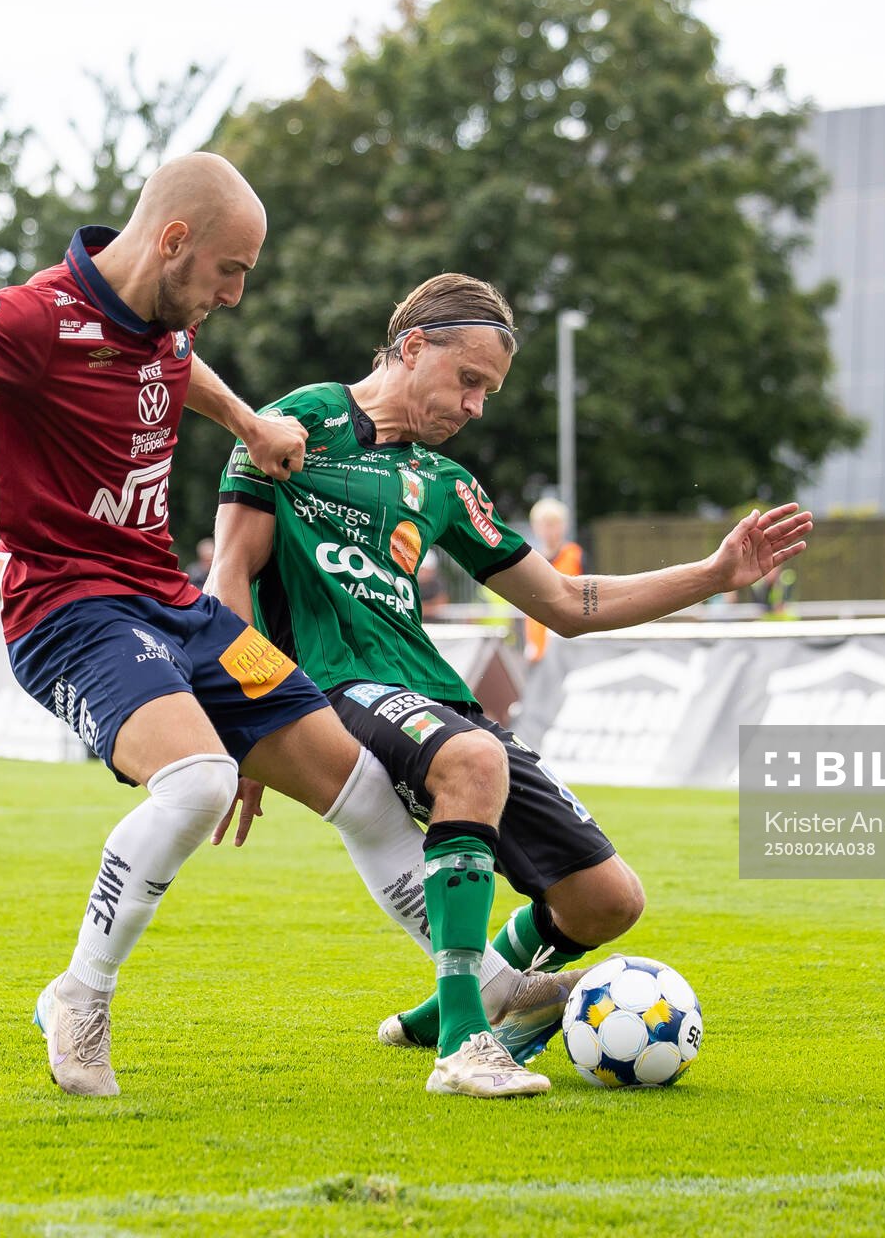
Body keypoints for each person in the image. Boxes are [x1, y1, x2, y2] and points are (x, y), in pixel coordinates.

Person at [0, 154, 557, 1101]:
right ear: (174, 243)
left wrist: (248, 423)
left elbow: (182, 369)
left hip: (175, 608)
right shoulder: (33, 319)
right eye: (229, 270)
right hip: (70, 613)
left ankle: (489, 993)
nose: (236, 295)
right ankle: (79, 994)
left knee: (360, 784)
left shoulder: (164, 326)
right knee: (202, 778)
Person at [208, 273, 812, 1064]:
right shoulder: (297, 423)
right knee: (473, 759)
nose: (476, 407)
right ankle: (467, 1041)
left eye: (487, 392)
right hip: (329, 688)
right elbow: (229, 573)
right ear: (413, 347)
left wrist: (712, 575)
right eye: (469, 381)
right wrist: (248, 718)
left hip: (430, 695)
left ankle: (440, 1009)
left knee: (606, 902)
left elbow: (566, 602)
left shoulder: (447, 486)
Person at [522, 497, 582, 662]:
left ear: (564, 526)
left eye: (553, 524)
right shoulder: (531, 560)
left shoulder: (575, 555)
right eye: (543, 524)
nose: (549, 530)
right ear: (535, 527)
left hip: (569, 640)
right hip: (539, 644)